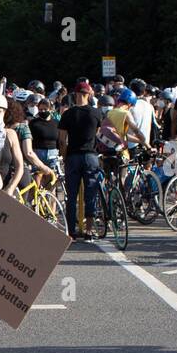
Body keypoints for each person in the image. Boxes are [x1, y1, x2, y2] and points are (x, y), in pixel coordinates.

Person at [58, 78, 101, 240]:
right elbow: (98, 134)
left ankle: (71, 232)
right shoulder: (96, 113)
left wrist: (64, 156)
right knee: (91, 194)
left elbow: (62, 140)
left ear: (75, 94)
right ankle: (89, 231)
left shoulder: (68, 114)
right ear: (89, 94)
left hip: (73, 156)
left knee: (72, 195)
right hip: (91, 156)